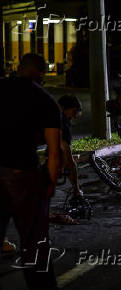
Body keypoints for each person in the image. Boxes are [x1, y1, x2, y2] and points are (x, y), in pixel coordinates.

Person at [0, 53, 62, 290]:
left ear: (18, 68)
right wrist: (50, 184)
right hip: (22, 175)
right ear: (41, 73)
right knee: (34, 242)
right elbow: (54, 154)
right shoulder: (45, 100)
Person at [57, 95, 83, 197]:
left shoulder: (57, 118)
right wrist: (76, 188)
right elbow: (67, 156)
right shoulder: (63, 124)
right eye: (74, 111)